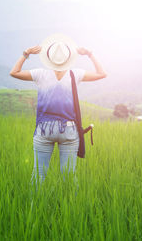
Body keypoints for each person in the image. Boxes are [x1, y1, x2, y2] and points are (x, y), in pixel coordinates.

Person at [9, 34, 107, 185]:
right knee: (68, 178)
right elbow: (102, 74)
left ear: (49, 57)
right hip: (69, 130)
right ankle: (71, 207)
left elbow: (14, 72)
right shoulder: (76, 74)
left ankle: (34, 207)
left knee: (38, 176)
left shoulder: (40, 74)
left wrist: (26, 54)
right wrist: (89, 54)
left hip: (44, 129)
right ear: (69, 58)